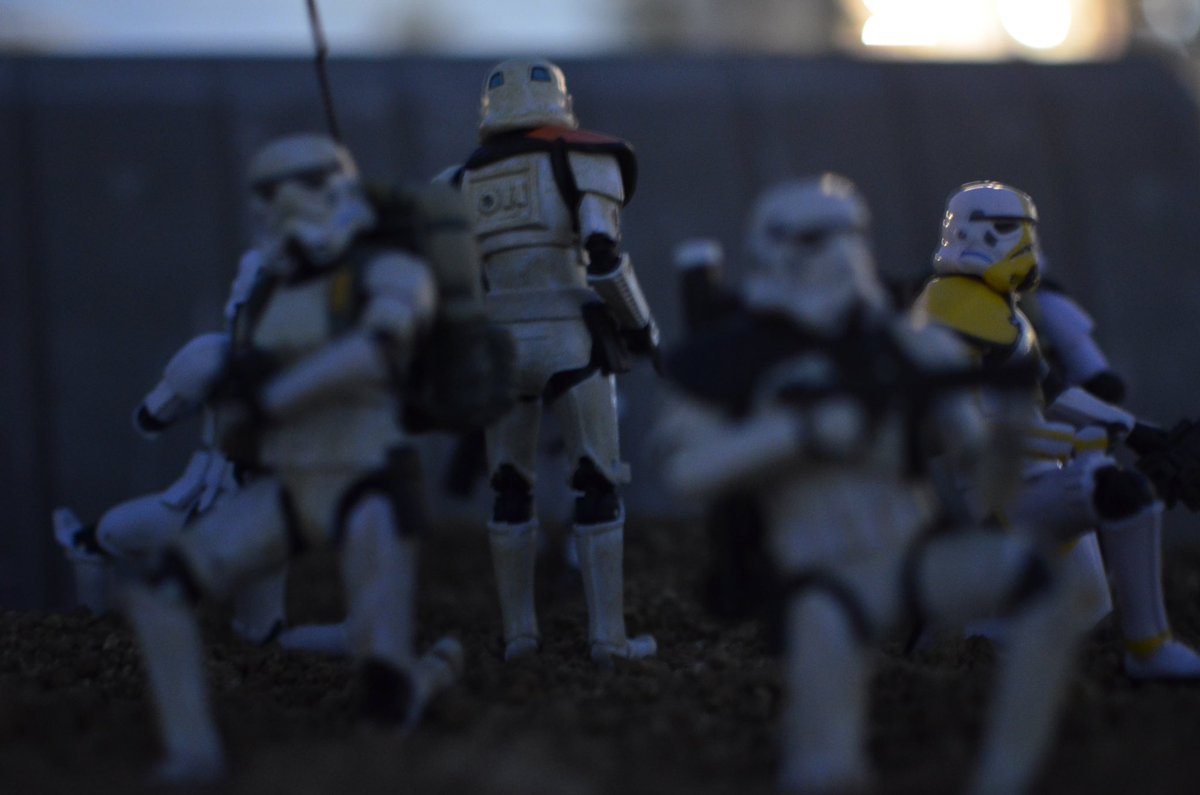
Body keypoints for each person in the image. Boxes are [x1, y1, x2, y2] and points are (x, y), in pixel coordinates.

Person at [661, 175, 1091, 795]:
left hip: (916, 552)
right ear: (773, 247)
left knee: (1042, 586)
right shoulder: (732, 359)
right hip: (824, 577)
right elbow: (685, 472)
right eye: (815, 238)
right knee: (824, 768)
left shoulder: (910, 346)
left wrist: (1009, 437)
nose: (838, 253)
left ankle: (1005, 779)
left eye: (850, 233)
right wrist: (800, 433)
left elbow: (986, 487)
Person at [121, 133, 472, 781]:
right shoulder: (267, 289)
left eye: (303, 185)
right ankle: (193, 751)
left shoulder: (392, 269)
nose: (284, 205)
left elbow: (376, 350)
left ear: (335, 187)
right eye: (269, 193)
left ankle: (417, 679)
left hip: (369, 484)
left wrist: (274, 394)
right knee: (160, 588)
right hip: (288, 486)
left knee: (383, 686)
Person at [451, 58, 658, 664]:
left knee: (508, 488)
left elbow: (454, 282)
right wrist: (643, 328)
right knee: (596, 481)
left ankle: (520, 636)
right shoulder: (582, 159)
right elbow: (605, 260)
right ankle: (607, 638)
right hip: (571, 341)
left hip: (500, 347)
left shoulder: (459, 180)